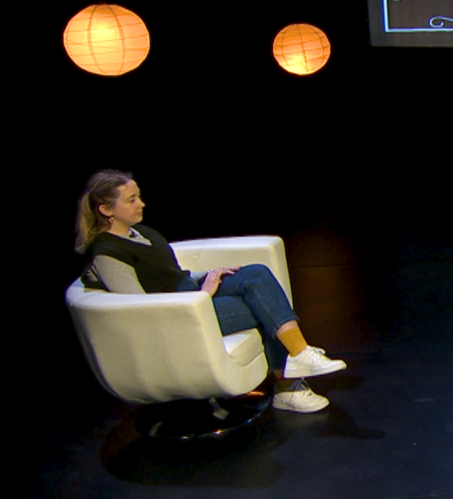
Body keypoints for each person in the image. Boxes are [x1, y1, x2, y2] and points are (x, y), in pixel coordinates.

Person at [74, 170, 346, 413]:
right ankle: (288, 388)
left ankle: (299, 354)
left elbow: (168, 273)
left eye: (139, 196)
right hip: (180, 316)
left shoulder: (140, 232)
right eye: (131, 199)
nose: (141, 203)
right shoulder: (107, 253)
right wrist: (202, 295)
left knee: (257, 273)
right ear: (106, 209)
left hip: (191, 294)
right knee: (264, 305)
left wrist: (208, 274)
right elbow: (141, 310)